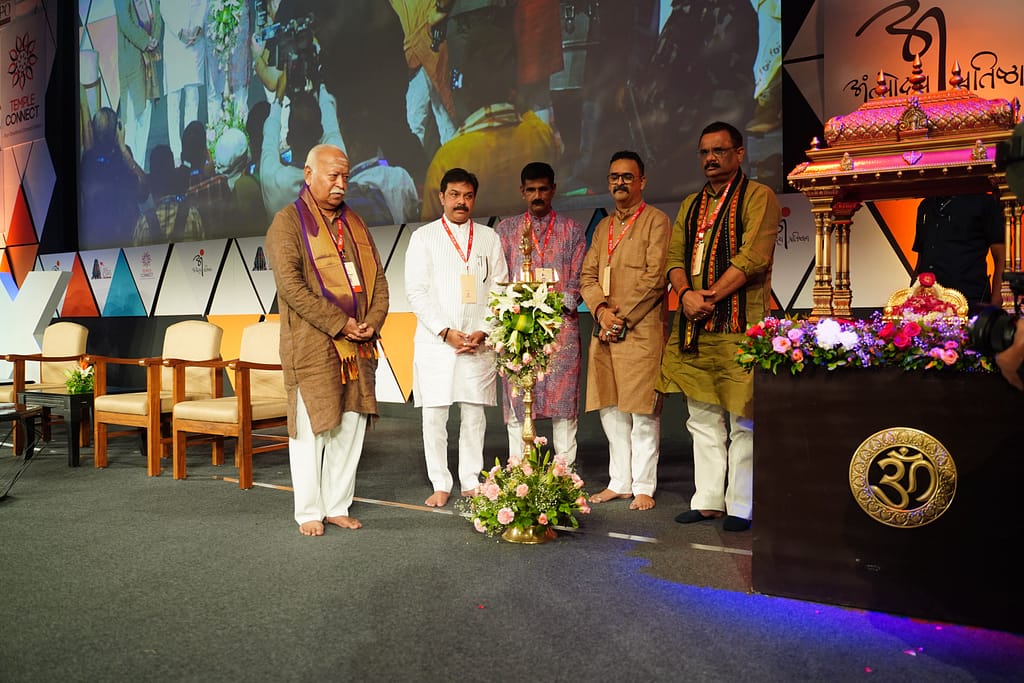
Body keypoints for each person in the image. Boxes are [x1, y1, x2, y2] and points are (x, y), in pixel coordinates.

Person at [658, 121, 780, 532]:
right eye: (705, 152)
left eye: (720, 151)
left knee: (743, 416)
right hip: (695, 322)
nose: (711, 159)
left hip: (739, 322)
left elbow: (754, 258)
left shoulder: (758, 196)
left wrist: (707, 296)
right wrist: (686, 295)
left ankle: (741, 504)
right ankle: (708, 500)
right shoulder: (691, 204)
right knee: (702, 414)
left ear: (740, 153)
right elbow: (674, 257)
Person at [265, 144, 389, 536]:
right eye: (332, 176)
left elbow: (379, 282)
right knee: (312, 428)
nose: (340, 184)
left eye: (345, 177)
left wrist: (370, 321)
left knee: (349, 428)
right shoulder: (286, 223)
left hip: (358, 347)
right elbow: (292, 288)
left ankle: (337, 504)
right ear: (308, 174)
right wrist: (341, 324)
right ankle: (308, 511)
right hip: (313, 345)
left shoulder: (355, 222)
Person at [405, 168, 509, 507]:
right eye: (454, 195)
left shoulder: (489, 238)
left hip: (477, 341)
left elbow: (499, 288)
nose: (461, 202)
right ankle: (440, 482)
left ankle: (470, 479)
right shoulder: (424, 237)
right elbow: (417, 291)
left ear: (474, 199)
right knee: (434, 415)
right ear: (442, 197)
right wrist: (445, 331)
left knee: (474, 414)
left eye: (467, 196)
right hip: (437, 342)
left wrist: (484, 329)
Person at [579, 151, 670, 511]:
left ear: (642, 181)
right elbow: (587, 276)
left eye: (628, 177)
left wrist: (620, 319)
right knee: (611, 408)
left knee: (643, 411)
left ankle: (645, 484)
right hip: (605, 331)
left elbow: (655, 279)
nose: (620, 182)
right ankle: (620, 481)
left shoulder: (657, 222)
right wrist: (601, 311)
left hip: (640, 331)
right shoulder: (603, 228)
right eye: (614, 176)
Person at [420, 21, 558, 221]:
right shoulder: (540, 135)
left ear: (466, 91)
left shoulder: (447, 159)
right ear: (512, 87)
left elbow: (430, 233)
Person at [495, 162, 585, 462]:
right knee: (519, 401)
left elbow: (578, 279)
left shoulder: (571, 230)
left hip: (560, 330)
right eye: (531, 189)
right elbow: (499, 278)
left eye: (543, 189)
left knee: (563, 405)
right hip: (519, 329)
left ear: (553, 190)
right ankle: (520, 470)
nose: (537, 195)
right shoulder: (506, 230)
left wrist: (552, 306)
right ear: (522, 192)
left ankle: (565, 473)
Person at [913, 194, 1005, 313]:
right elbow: (922, 258)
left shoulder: (983, 201)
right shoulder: (926, 205)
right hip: (927, 303)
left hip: (968, 302)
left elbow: (1001, 255)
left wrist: (996, 304)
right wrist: (912, 294)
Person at [115, 0, 163, 170]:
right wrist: (145, 41)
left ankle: (140, 169)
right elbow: (125, 23)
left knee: (146, 114)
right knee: (133, 119)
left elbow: (157, 17)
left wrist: (154, 38)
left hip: (149, 59)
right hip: (132, 60)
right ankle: (130, 170)